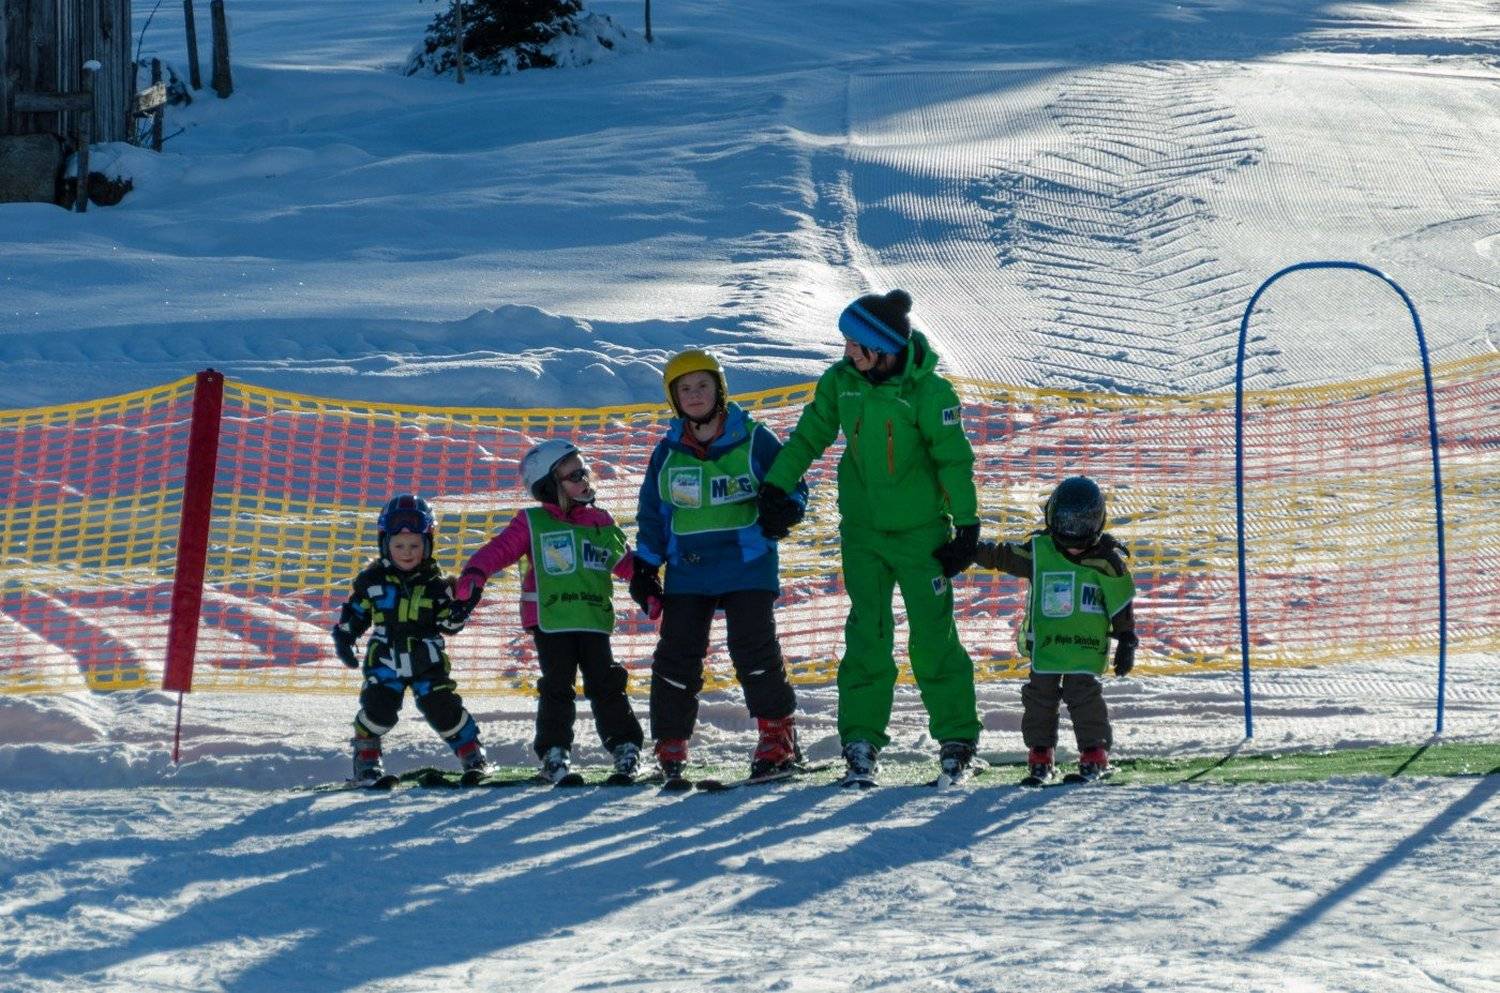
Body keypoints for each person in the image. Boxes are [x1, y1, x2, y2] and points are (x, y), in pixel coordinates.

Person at [757, 289, 982, 787]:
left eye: (855, 344)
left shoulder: (929, 392)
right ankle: (860, 741)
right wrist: (776, 485)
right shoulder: (842, 383)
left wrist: (966, 526)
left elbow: (953, 460)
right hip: (862, 534)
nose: (847, 352)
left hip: (922, 535)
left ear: (882, 348)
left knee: (933, 637)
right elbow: (809, 436)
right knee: (867, 637)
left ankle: (957, 738)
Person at [632, 349, 808, 781]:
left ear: (720, 390)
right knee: (676, 654)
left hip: (747, 562)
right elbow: (654, 513)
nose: (695, 395)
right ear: (674, 398)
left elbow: (792, 481)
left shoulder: (754, 438)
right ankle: (671, 743)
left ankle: (777, 737)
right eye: (685, 389)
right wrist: (646, 566)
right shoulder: (667, 452)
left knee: (753, 648)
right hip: (689, 568)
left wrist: (786, 508)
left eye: (703, 386)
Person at [452, 439, 649, 784]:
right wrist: (475, 575)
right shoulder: (533, 522)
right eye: (574, 475)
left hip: (592, 619)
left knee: (606, 683)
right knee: (557, 686)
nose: (584, 479)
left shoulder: (601, 523)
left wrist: (652, 589)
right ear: (548, 486)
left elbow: (628, 565)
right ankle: (554, 753)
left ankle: (626, 747)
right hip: (552, 620)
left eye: (584, 471)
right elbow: (498, 550)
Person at [971, 475, 1138, 784]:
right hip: (1048, 646)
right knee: (1039, 699)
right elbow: (1004, 556)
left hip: (1084, 648)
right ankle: (1040, 754)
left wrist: (1127, 639)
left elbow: (1120, 603)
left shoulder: (1106, 561)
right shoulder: (1041, 552)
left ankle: (1094, 754)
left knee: (1083, 696)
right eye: (1066, 525)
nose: (1073, 539)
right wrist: (970, 549)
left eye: (1082, 527)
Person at [332, 494, 487, 785]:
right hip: (385, 659)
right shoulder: (372, 582)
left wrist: (460, 610)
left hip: (426, 659)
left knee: (442, 708)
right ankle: (366, 761)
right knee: (379, 710)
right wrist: (345, 635)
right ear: (385, 545)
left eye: (415, 545)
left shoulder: (437, 586)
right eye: (399, 545)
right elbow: (356, 613)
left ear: (427, 545)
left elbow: (447, 625)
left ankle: (473, 756)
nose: (407, 552)